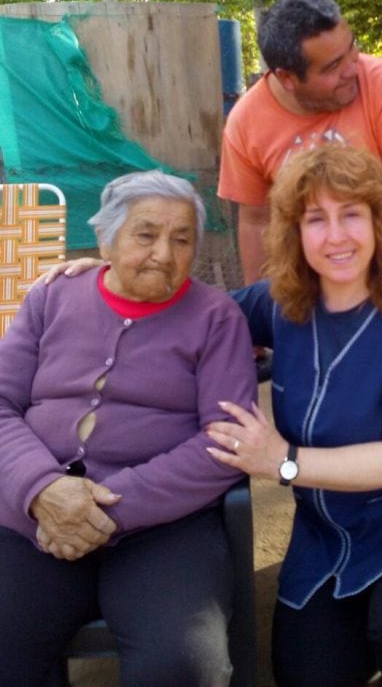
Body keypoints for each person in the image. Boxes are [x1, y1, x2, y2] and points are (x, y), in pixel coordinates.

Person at [206, 144, 382, 687]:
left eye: (351, 214)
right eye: (317, 219)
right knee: (306, 675)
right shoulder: (280, 303)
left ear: (378, 222)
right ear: (296, 232)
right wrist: (96, 282)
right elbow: (194, 316)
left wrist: (282, 462)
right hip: (327, 524)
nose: (336, 236)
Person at [0, 170, 257, 686]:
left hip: (164, 528)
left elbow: (224, 440)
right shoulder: (52, 297)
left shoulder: (216, 317)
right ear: (104, 239)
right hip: (36, 517)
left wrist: (102, 506)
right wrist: (42, 488)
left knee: (182, 663)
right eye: (145, 234)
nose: (164, 253)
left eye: (181, 239)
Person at [218, 0, 382, 292]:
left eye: (350, 49)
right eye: (332, 67)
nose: (353, 68)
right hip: (308, 299)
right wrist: (261, 314)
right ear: (287, 78)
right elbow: (257, 222)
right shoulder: (245, 123)